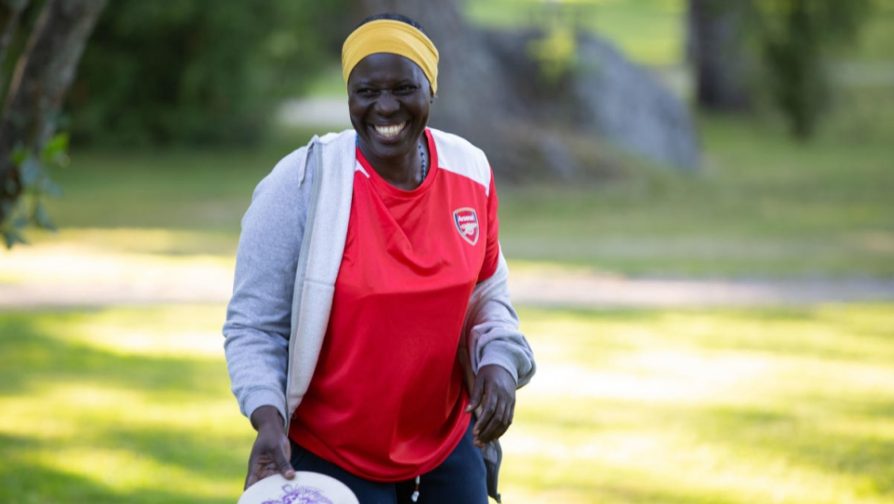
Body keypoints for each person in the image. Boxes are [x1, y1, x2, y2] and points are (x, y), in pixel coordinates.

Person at [223, 13, 535, 504]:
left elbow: (487, 296)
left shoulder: (470, 170)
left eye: (404, 88)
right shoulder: (302, 184)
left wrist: (498, 362)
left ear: (431, 90)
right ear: (349, 96)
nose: (385, 107)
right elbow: (254, 326)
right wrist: (267, 417)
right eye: (367, 92)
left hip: (447, 450)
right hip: (333, 456)